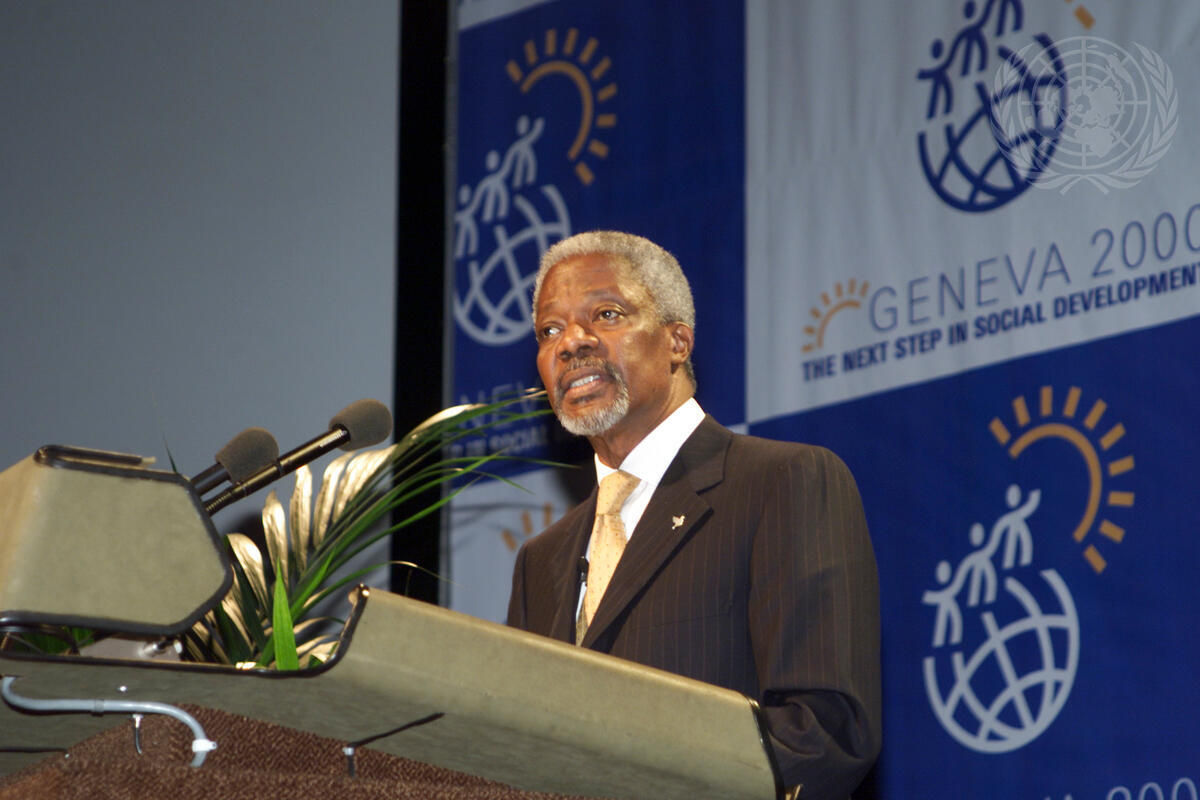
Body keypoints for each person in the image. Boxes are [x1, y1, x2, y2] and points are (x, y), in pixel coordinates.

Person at [506, 231, 881, 798]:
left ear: (677, 341)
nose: (571, 343)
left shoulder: (783, 482)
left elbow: (823, 731)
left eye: (606, 315)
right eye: (549, 330)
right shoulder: (542, 560)